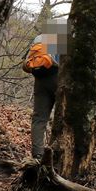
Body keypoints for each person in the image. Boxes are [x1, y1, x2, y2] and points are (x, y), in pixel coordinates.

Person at [22, 19, 67, 159]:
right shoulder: (64, 40)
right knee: (63, 118)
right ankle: (57, 154)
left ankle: (38, 154)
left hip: (40, 81)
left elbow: (25, 64)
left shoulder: (39, 39)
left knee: (39, 118)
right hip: (59, 79)